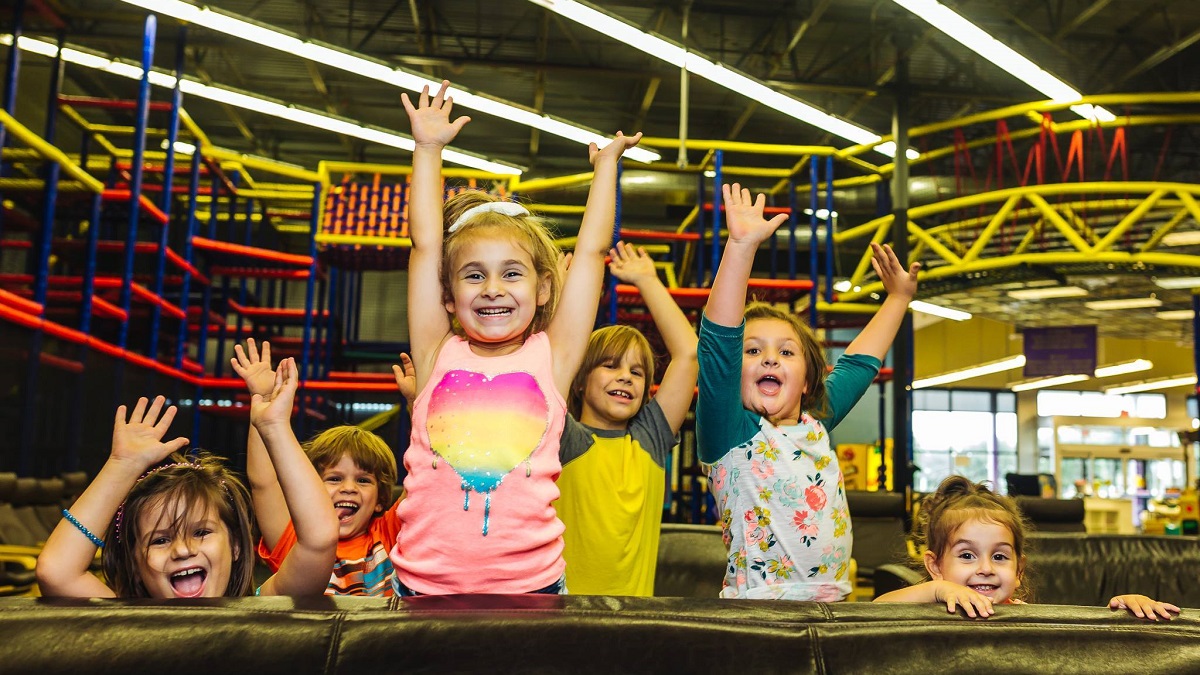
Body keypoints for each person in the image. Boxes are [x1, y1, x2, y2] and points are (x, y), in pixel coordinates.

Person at [389, 79, 642, 595]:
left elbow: (592, 255)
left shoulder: (552, 356)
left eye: (511, 273)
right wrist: (428, 149)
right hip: (422, 585)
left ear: (544, 287)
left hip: (530, 588)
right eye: (474, 275)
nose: (492, 289)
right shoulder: (438, 349)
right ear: (448, 295)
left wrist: (607, 168)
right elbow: (424, 245)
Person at [695, 183, 919, 601]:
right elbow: (718, 343)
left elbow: (857, 364)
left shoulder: (817, 421)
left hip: (832, 606)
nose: (769, 359)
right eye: (753, 351)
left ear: (808, 380)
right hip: (759, 614)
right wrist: (741, 247)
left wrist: (898, 299)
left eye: (786, 352)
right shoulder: (730, 431)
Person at [37, 361, 337, 598]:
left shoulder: (265, 606)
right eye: (160, 539)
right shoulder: (131, 623)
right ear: (136, 564)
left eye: (201, 532)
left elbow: (318, 538)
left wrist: (274, 427)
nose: (182, 550)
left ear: (234, 545)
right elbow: (57, 572)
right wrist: (122, 466)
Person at [554, 241, 698, 595]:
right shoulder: (563, 436)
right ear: (581, 378)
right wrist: (557, 299)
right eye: (610, 365)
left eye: (637, 372)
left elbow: (689, 355)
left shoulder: (648, 440)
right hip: (564, 619)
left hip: (634, 623)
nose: (625, 377)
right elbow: (550, 356)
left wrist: (647, 281)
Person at [874, 475, 1181, 620]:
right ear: (935, 566)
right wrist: (935, 591)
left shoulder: (1024, 615)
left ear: (1018, 570)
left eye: (999, 556)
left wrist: (1123, 613)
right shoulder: (928, 607)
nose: (985, 568)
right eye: (967, 555)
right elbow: (869, 614)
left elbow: (1077, 646)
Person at [233, 339, 401, 596]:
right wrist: (265, 399)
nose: (348, 488)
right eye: (334, 478)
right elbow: (264, 482)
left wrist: (417, 402)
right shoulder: (294, 539)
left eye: (363, 480)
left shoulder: (388, 534)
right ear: (308, 488)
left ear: (380, 501)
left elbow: (430, 478)